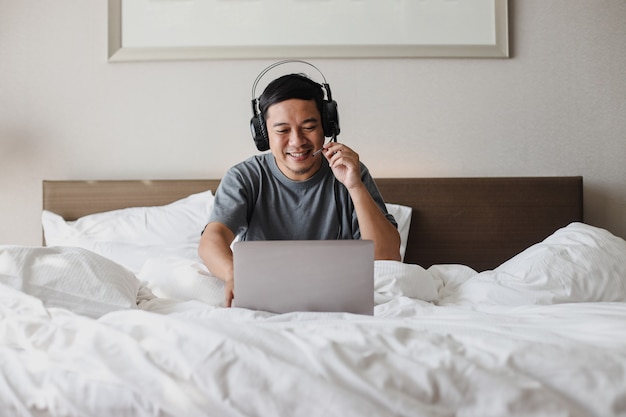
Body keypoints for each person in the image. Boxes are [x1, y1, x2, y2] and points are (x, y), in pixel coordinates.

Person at [198, 62, 401, 307]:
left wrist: (355, 186)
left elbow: (387, 258)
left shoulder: (351, 173)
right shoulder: (245, 177)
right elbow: (212, 239)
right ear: (263, 135)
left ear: (327, 125)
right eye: (282, 130)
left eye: (309, 127)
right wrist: (235, 275)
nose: (297, 142)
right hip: (263, 299)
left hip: (337, 301)